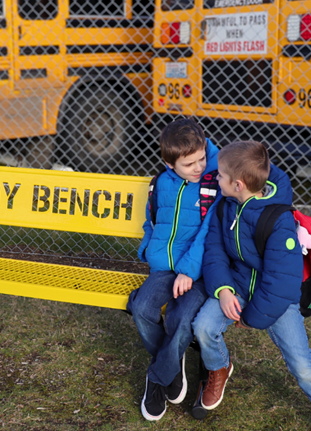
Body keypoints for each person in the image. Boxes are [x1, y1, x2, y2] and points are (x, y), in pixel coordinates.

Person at [192, 141, 311, 431]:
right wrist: (224, 290)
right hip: (237, 285)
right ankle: (219, 367)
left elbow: (281, 281)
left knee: (303, 366)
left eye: (221, 175)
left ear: (238, 185)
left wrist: (251, 317)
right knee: (204, 327)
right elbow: (214, 252)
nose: (216, 178)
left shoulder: (278, 219)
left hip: (277, 301)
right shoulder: (226, 207)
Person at [126, 118, 219, 421]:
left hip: (198, 272)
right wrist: (148, 249)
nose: (198, 167)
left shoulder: (213, 183)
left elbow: (208, 233)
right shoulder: (160, 183)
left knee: (180, 319)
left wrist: (189, 271)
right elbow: (152, 220)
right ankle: (172, 362)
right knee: (141, 308)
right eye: (189, 164)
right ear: (169, 164)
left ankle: (156, 377)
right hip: (163, 267)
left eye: (201, 159)